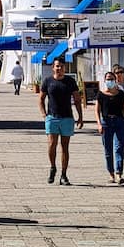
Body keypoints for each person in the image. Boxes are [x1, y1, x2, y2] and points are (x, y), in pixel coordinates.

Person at [39, 57, 84, 185]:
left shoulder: (70, 81)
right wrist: (44, 115)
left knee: (65, 147)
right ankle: (53, 167)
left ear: (65, 68)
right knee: (52, 144)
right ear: (53, 67)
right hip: (52, 117)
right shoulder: (48, 81)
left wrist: (80, 116)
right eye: (57, 66)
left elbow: (76, 99)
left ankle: (64, 175)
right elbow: (41, 99)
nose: (60, 69)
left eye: (62, 66)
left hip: (67, 118)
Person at [96, 70, 124, 184]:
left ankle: (118, 174)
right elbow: (97, 110)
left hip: (119, 122)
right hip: (106, 122)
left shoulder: (121, 95)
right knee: (108, 150)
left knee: (119, 148)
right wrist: (99, 124)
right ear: (104, 80)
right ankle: (111, 174)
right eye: (107, 79)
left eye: (111, 79)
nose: (109, 81)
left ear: (115, 81)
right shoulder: (101, 95)